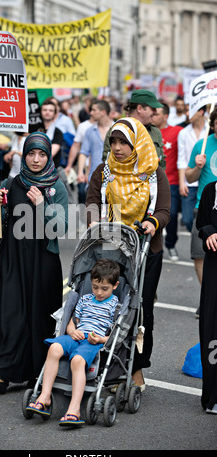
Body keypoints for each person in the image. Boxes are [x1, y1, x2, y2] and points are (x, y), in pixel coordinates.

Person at [86, 117, 170, 389]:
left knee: (141, 310)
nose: (118, 147)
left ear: (137, 143)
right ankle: (104, 366)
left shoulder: (153, 172)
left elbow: (164, 210)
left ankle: (136, 368)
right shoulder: (104, 169)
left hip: (145, 249)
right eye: (114, 141)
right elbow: (92, 200)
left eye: (124, 142)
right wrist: (92, 220)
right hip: (110, 248)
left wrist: (152, 222)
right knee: (107, 305)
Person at [0, 132, 68, 394]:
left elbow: (61, 229)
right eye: (31, 153)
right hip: (13, 260)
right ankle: (3, 374)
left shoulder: (57, 186)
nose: (36, 159)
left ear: (48, 156)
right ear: (24, 154)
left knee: (40, 317)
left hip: (43, 263)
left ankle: (37, 374)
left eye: (42, 154)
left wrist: (42, 204)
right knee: (8, 314)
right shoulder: (11, 182)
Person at [26, 258, 120, 426]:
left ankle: (74, 408)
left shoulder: (115, 305)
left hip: (94, 341)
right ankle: (45, 395)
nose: (99, 292)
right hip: (75, 336)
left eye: (104, 289)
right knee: (54, 348)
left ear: (115, 285)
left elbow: (114, 335)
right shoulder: (84, 299)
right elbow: (72, 322)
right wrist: (71, 331)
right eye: (95, 287)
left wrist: (100, 339)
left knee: (77, 361)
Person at [185, 107, 217, 316]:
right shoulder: (202, 144)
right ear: (213, 124)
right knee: (200, 255)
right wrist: (198, 167)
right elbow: (189, 177)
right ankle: (208, 295)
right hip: (204, 208)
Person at [196, 180, 217, 414]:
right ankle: (212, 395)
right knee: (211, 328)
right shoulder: (211, 190)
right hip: (214, 267)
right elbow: (201, 222)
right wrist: (210, 232)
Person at [152, 101, 182, 261]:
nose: (153, 116)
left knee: (171, 215)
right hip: (151, 183)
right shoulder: (147, 133)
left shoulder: (178, 132)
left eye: (156, 113)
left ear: (166, 116)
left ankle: (170, 244)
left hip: (172, 182)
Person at [102, 90, 165, 168]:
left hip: (152, 179)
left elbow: (161, 163)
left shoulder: (155, 132)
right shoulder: (117, 129)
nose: (155, 112)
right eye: (152, 108)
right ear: (139, 108)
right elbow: (108, 161)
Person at [177, 105, 207, 233]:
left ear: (201, 112)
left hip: (206, 181)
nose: (187, 114)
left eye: (191, 110)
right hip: (189, 181)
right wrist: (182, 182)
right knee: (188, 219)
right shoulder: (183, 133)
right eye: (186, 110)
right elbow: (182, 159)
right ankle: (198, 235)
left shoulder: (210, 131)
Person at [77, 100, 114, 185]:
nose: (91, 113)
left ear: (103, 112)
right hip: (95, 178)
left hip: (114, 177)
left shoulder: (117, 129)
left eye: (94, 110)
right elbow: (83, 152)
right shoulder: (90, 131)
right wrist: (80, 172)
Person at [38, 98, 63, 168]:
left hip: (51, 171)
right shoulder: (35, 129)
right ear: (40, 112)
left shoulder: (57, 132)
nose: (47, 112)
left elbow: (51, 154)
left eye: (50, 110)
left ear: (55, 114)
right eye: (45, 110)